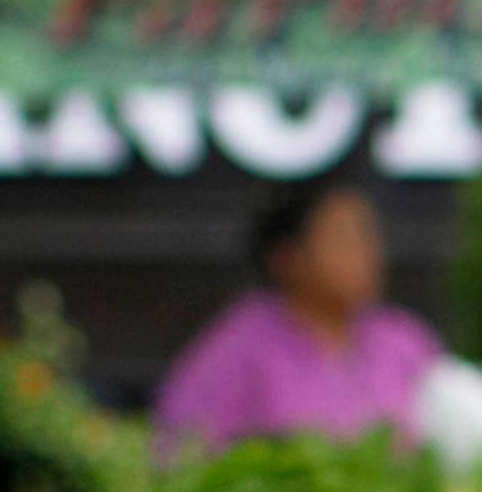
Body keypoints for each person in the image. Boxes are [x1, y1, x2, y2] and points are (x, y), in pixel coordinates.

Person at [151, 179, 443, 457]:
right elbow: (179, 451)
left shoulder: (404, 341)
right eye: (344, 238)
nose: (367, 253)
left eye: (368, 235)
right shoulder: (236, 351)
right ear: (289, 257)